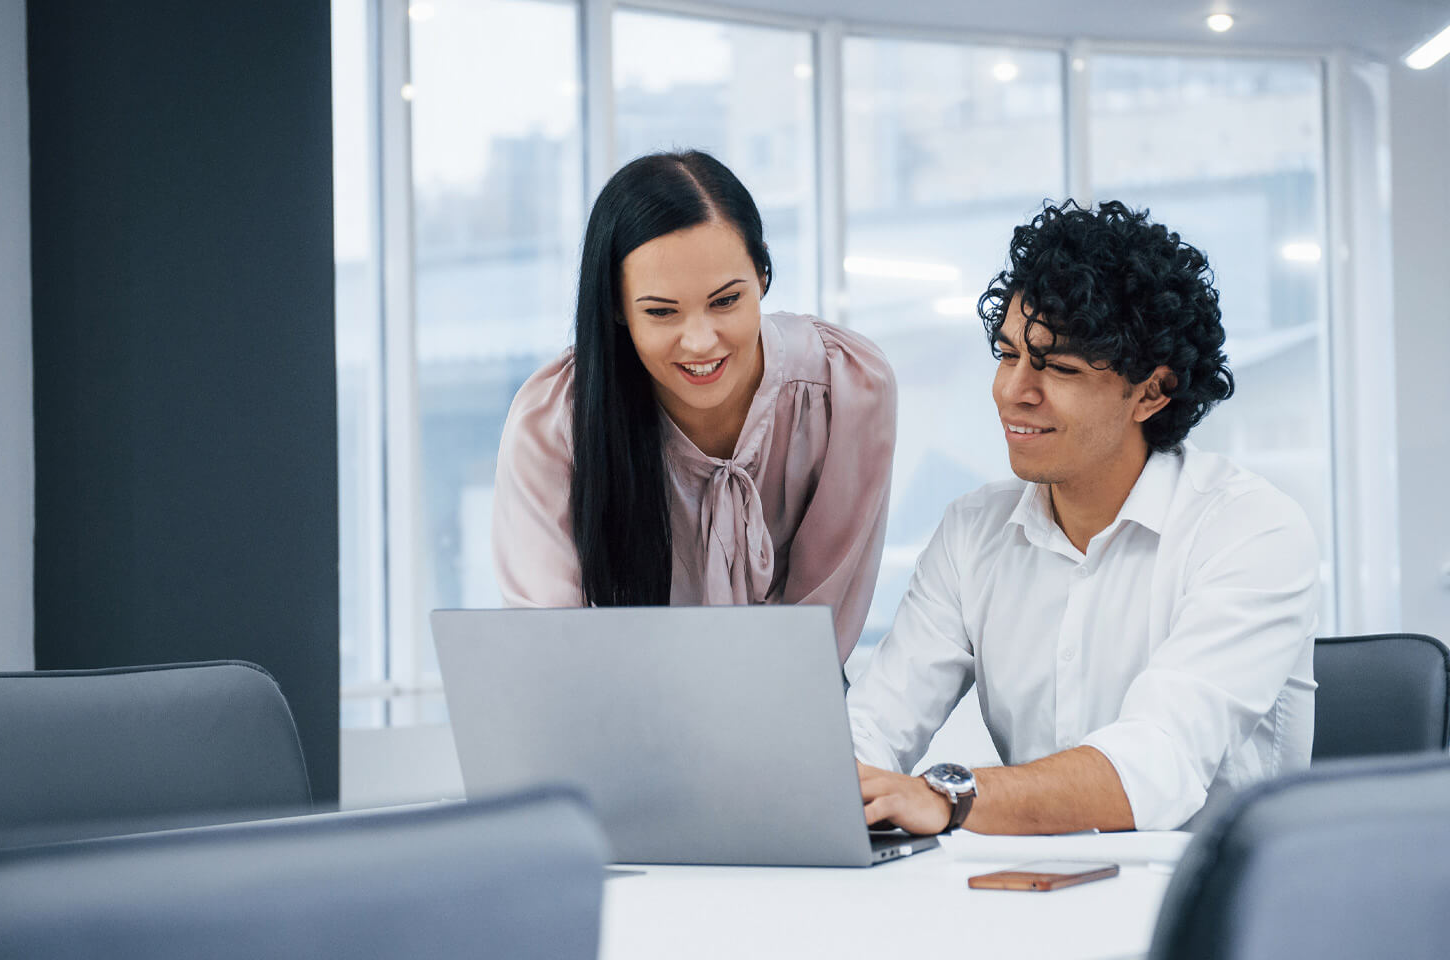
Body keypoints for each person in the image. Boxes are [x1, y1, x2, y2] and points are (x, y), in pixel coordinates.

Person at [847, 200, 1319, 836]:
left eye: (1059, 368)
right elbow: (875, 725)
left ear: (1152, 391)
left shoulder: (1251, 532)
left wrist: (947, 797)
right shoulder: (973, 531)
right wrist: (819, 790)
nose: (1013, 390)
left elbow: (1155, 765)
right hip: (1028, 895)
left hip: (1207, 910)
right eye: (1007, 353)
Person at [491, 150, 896, 659]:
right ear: (617, 306)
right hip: (616, 714)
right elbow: (549, 653)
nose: (701, 342)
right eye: (662, 312)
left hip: (792, 700)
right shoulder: (552, 423)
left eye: (726, 300)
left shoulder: (846, 388)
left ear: (763, 274)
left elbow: (816, 634)